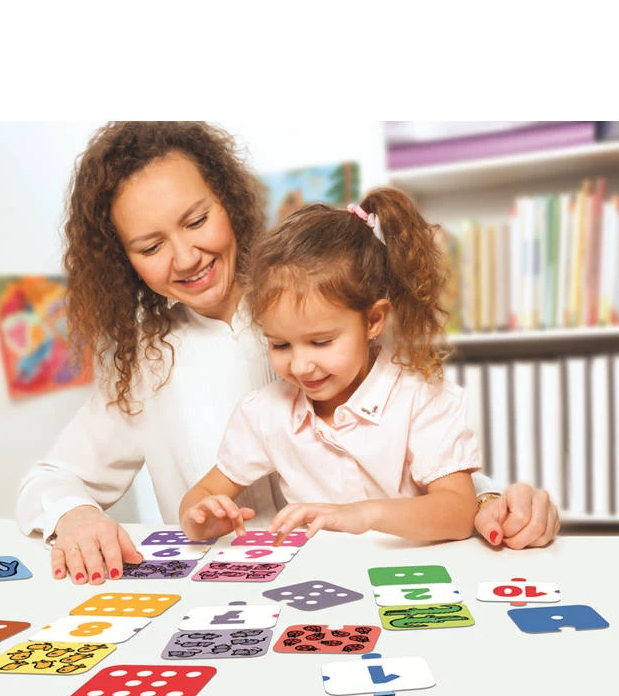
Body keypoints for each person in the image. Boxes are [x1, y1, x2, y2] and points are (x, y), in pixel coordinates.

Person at [15, 122, 560, 584]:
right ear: (124, 261)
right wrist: (77, 517)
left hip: (386, 579)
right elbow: (48, 479)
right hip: (236, 598)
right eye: (151, 246)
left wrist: (491, 506)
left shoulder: (325, 300)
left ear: (227, 202)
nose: (185, 257)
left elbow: (420, 459)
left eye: (197, 220)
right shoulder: (147, 365)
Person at [180, 194, 479, 544]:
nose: (301, 366)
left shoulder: (420, 397)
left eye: (321, 342)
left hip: (407, 570)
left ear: (373, 320)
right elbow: (201, 495)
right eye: (280, 345)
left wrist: (365, 514)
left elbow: (459, 512)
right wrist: (200, 516)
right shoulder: (264, 412)